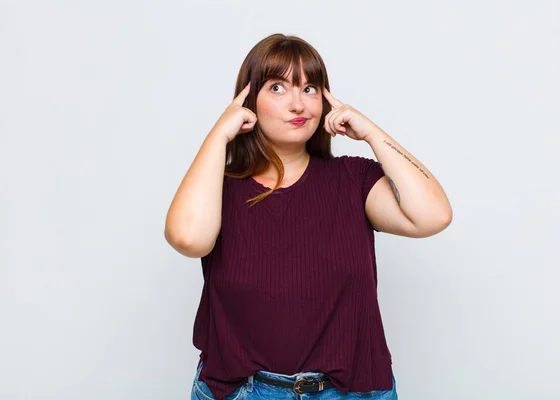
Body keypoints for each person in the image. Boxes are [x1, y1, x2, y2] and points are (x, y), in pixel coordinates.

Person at [164, 33, 452, 400]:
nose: (298, 104)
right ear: (248, 102)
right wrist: (219, 134)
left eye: (310, 89)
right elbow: (188, 238)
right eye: (278, 88)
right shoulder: (219, 190)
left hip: (352, 393)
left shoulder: (353, 180)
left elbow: (434, 215)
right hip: (245, 392)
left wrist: (371, 133)